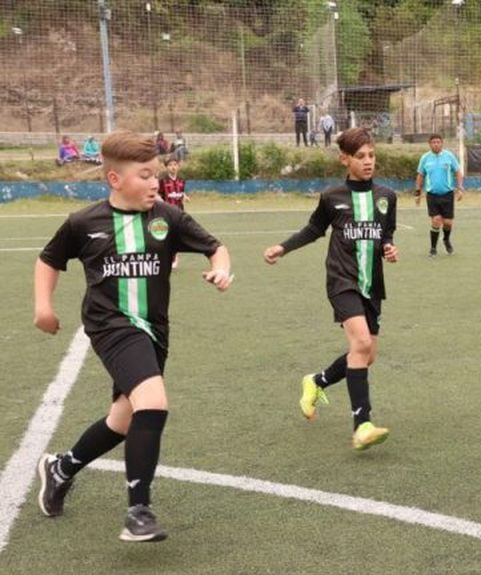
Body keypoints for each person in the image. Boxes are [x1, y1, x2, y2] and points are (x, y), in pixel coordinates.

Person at [34, 130, 232, 542]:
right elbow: (49, 259)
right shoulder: (83, 223)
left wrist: (221, 269)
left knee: (123, 420)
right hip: (111, 327)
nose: (154, 182)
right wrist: (43, 306)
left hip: (153, 330)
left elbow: (216, 247)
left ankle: (61, 468)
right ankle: (138, 510)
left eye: (155, 174)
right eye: (144, 175)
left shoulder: (167, 218)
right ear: (114, 180)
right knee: (154, 403)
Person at [263, 127, 398, 448]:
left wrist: (389, 249)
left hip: (372, 285)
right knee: (361, 343)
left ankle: (317, 381)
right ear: (345, 160)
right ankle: (362, 424)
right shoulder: (332, 197)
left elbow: (386, 235)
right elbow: (313, 229)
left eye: (372, 155)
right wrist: (283, 247)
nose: (368, 162)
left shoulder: (386, 197)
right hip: (341, 280)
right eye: (361, 157)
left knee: (367, 355)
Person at [414, 133, 464, 256]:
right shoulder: (425, 158)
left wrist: (460, 188)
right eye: (433, 142)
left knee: (447, 223)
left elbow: (457, 172)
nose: (436, 144)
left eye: (438, 142)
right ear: (430, 144)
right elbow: (420, 175)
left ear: (442, 143)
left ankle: (446, 239)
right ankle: (433, 248)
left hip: (447, 194)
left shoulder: (449, 156)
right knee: (436, 221)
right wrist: (417, 192)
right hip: (432, 195)